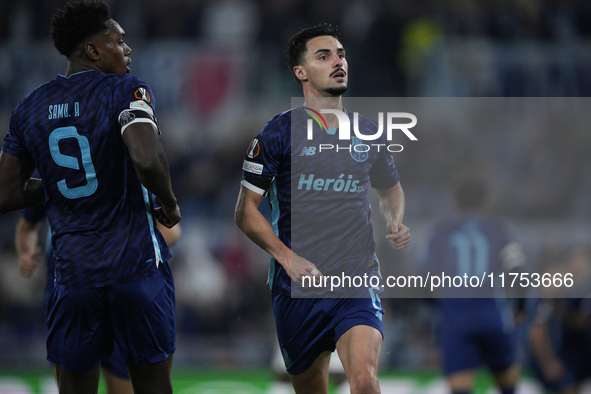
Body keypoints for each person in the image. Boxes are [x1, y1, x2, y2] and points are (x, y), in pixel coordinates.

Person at [0, 1, 181, 393]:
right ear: (94, 50)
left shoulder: (29, 108)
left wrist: (58, 179)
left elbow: (6, 193)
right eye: (119, 41)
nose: (127, 49)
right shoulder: (126, 90)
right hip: (135, 267)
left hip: (73, 275)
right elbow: (147, 158)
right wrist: (168, 202)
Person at [234, 23, 410, 393]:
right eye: (324, 56)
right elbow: (246, 212)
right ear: (301, 72)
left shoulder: (369, 131)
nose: (338, 61)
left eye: (341, 54)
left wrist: (394, 218)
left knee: (365, 383)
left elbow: (391, 190)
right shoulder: (277, 135)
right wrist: (286, 258)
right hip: (298, 289)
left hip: (356, 280)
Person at [15, 203, 182, 394]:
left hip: (96, 292)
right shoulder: (50, 175)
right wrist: (25, 252)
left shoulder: (53, 174)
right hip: (80, 292)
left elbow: (172, 231)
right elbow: (26, 225)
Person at [421, 176, 525, 394]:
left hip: (456, 317)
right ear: (485, 201)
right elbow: (517, 272)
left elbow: (426, 280)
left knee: (460, 388)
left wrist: (442, 306)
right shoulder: (498, 230)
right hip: (491, 314)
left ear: (454, 201)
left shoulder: (442, 232)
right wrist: (520, 308)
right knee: (508, 384)